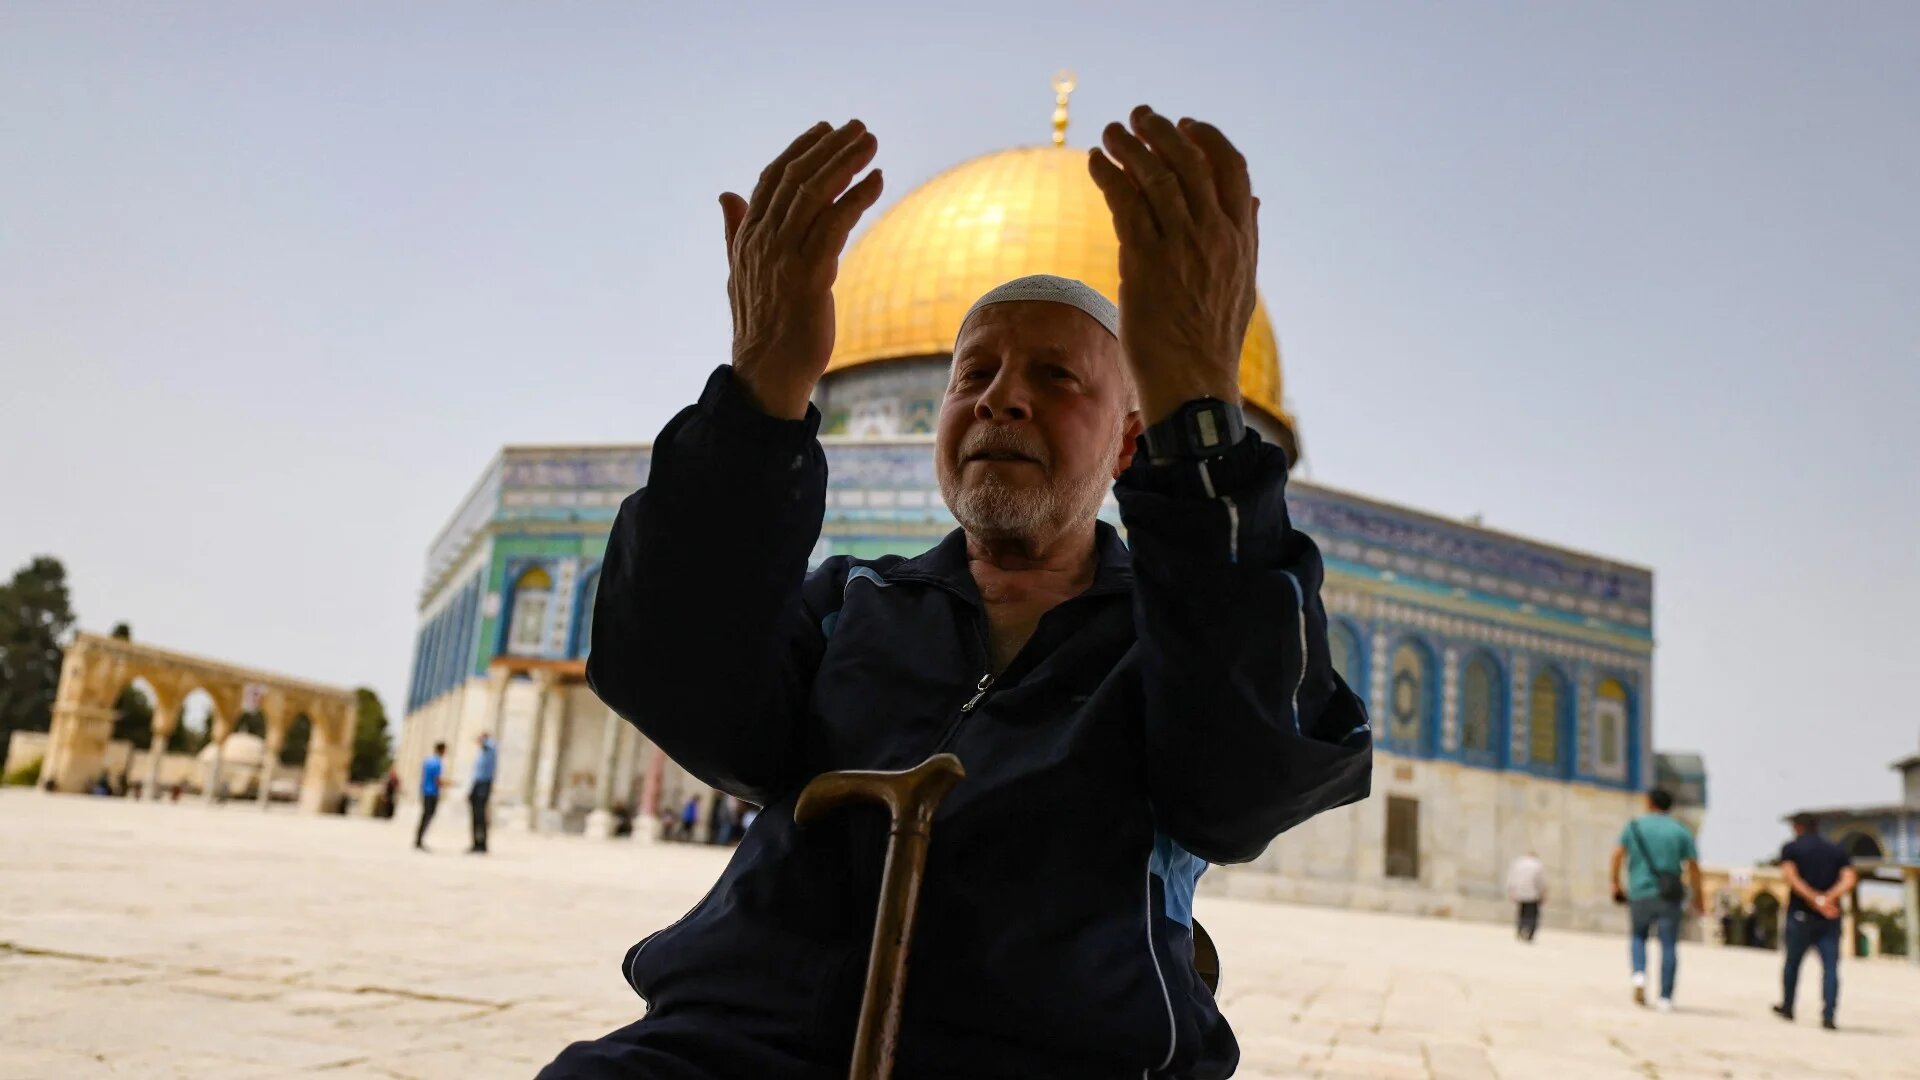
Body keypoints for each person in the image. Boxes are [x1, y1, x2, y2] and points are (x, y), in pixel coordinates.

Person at [539, 108, 1371, 1080]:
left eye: (1055, 376)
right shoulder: (849, 607)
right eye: (973, 372)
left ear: (1132, 444)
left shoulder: (1181, 638)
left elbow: (1241, 788)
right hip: (742, 1045)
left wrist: (1203, 413)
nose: (1000, 397)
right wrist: (760, 391)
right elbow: (685, 691)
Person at [1610, 788, 1703, 1012]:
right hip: (1669, 895)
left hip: (1640, 892)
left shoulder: (1634, 827)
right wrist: (1698, 897)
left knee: (1638, 936)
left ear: (1649, 802)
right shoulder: (1680, 831)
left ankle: (1639, 974)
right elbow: (1693, 867)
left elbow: (1617, 855)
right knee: (1668, 944)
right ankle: (1665, 997)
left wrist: (1615, 883)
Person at [1772, 813, 1857, 1030]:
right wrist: (1828, 898)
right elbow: (1849, 878)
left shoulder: (1792, 848)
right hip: (1830, 917)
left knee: (1793, 963)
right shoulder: (1836, 850)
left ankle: (1788, 1006)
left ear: (1798, 827)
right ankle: (1829, 1014)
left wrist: (1814, 899)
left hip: (1801, 915)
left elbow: (1790, 877)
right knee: (1830, 968)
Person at [1507, 850, 1547, 942]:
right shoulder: (1538, 865)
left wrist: (1512, 891)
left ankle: (1520, 929)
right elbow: (1540, 881)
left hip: (1520, 893)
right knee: (1532, 914)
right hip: (1533, 893)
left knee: (1522, 912)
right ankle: (1530, 932)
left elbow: (1512, 878)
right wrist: (1543, 893)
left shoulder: (1518, 863)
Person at [468, 732, 496, 854]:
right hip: (477, 784)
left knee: (480, 815)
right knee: (475, 816)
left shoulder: (491, 748)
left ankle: (482, 843)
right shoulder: (482, 752)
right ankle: (476, 843)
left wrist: (484, 738)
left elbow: (488, 743)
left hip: (484, 784)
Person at [415, 741, 445, 851]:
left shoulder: (427, 761)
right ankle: (419, 840)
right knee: (428, 816)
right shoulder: (437, 763)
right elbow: (437, 780)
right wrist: (448, 784)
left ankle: (418, 839)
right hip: (432, 793)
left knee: (424, 816)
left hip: (425, 791)